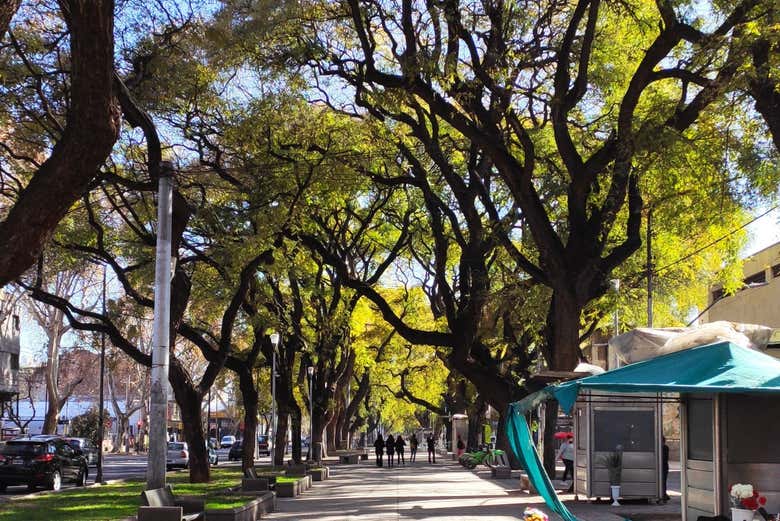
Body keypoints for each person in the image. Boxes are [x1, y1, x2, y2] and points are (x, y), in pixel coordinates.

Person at [662, 436, 670, 501]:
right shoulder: (665, 447)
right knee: (664, 481)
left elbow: (665, 458)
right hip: (665, 467)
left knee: (663, 481)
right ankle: (664, 494)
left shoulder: (665, 448)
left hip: (664, 467)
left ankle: (663, 494)